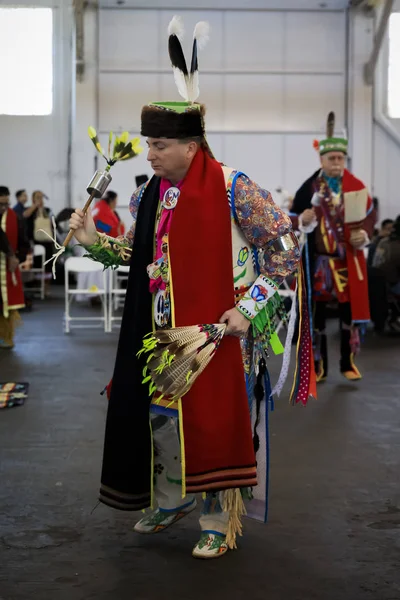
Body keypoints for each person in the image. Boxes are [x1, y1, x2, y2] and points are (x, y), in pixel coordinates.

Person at [69, 16, 302, 560]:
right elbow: (137, 255)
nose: (148, 154)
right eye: (148, 144)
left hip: (221, 332)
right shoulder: (149, 196)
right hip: (163, 331)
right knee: (164, 417)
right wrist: (90, 239)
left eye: (158, 145)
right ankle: (172, 498)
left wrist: (252, 307)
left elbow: (285, 249)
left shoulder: (234, 188)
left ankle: (219, 518)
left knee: (219, 420)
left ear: (191, 145)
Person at [290, 112, 376, 382]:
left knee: (348, 315)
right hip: (319, 263)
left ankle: (346, 363)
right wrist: (302, 219)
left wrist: (364, 233)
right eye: (332, 159)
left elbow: (370, 218)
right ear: (322, 160)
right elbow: (293, 216)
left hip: (346, 262)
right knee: (316, 317)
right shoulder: (309, 188)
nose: (338, 164)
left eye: (341, 159)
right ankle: (318, 365)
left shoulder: (356, 187)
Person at [0, 186, 31, 349]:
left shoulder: (16, 218)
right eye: (0, 204)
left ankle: (6, 336)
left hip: (7, 270)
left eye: (6, 204)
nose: (4, 208)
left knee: (5, 305)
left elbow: (24, 244)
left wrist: (16, 259)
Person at [373, 215, 400, 331]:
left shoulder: (384, 241)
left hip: (379, 285)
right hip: (391, 285)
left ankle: (394, 316)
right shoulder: (397, 246)